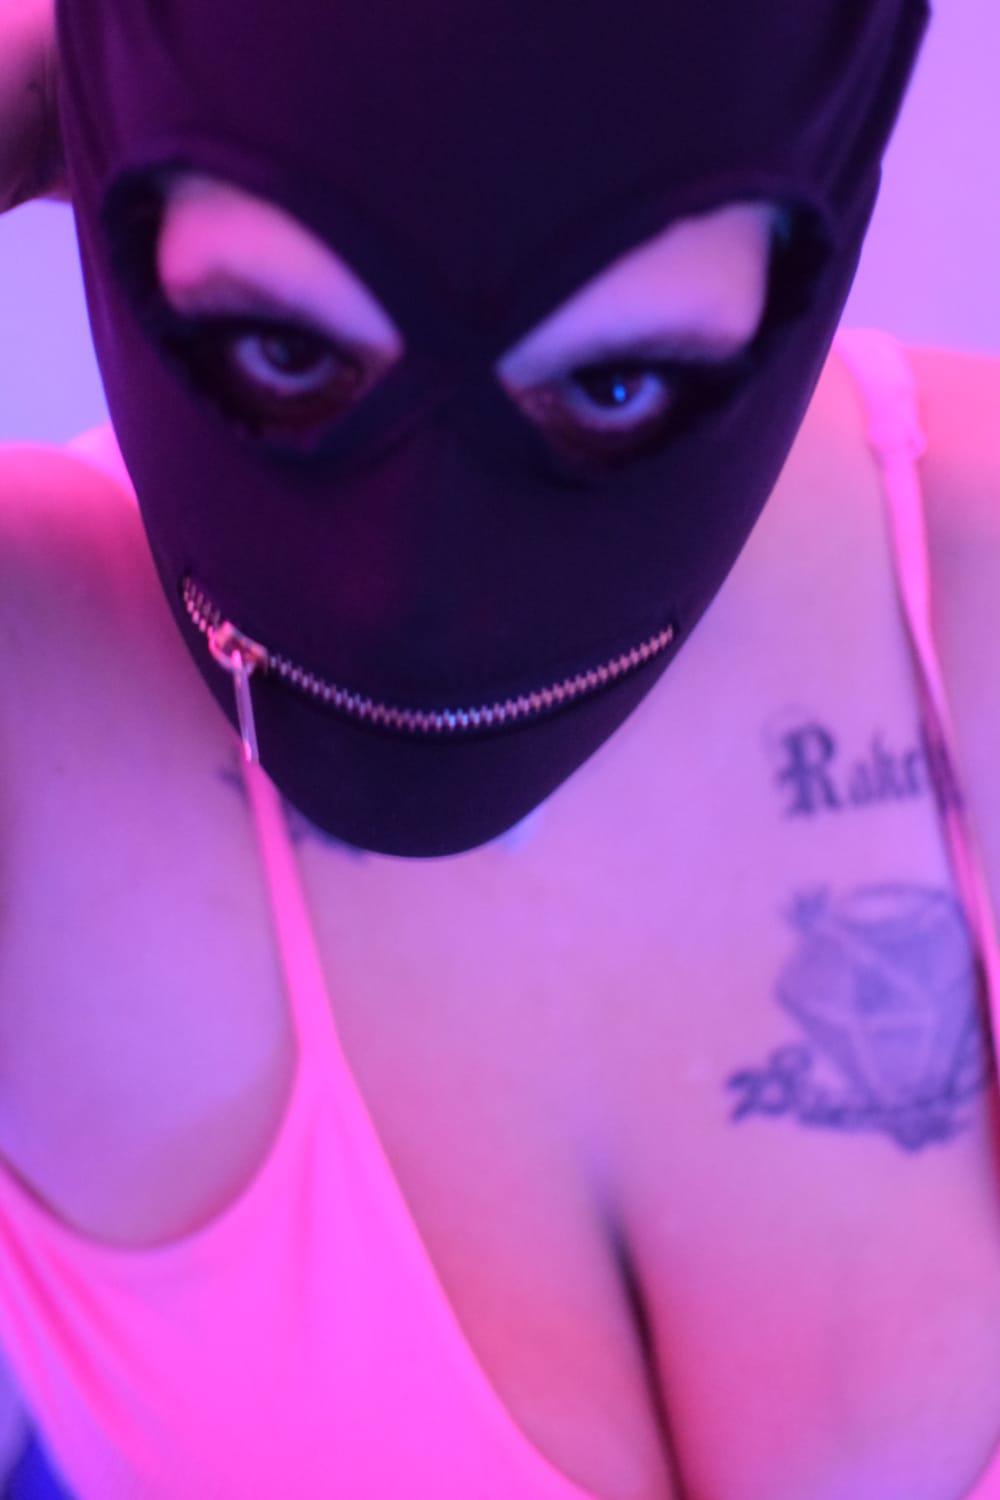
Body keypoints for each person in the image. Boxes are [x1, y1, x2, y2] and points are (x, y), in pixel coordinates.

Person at [2, 1, 1000, 1498]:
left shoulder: (979, 553)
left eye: (613, 387)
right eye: (286, 354)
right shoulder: (37, 688)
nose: (419, 590)